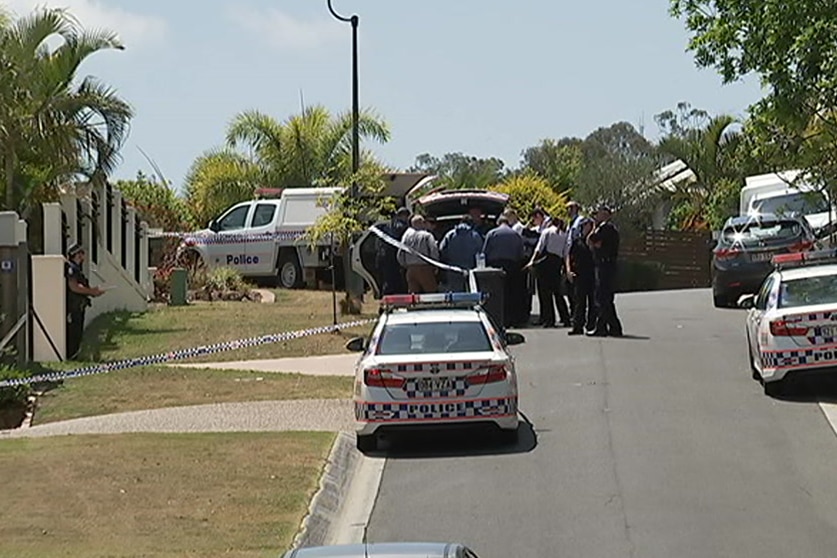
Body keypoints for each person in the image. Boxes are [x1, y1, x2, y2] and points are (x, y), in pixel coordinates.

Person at [525, 213, 571, 328]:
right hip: (557, 263)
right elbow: (566, 253)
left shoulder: (547, 232)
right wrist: (566, 268)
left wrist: (532, 261)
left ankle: (548, 319)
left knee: (545, 293)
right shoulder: (564, 234)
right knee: (557, 292)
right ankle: (565, 318)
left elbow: (539, 248)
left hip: (546, 262)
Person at [483, 215, 526, 327]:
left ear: (498, 223)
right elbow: (521, 253)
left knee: (497, 293)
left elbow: (485, 251)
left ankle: (498, 318)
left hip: (495, 266)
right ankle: (511, 319)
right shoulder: (515, 234)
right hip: (512, 266)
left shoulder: (492, 233)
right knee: (511, 293)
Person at [588, 205, 623, 337]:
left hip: (605, 265)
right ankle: (608, 327)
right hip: (605, 265)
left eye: (600, 214)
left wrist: (593, 228)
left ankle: (608, 327)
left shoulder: (606, 228)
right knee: (604, 298)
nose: (597, 216)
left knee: (603, 297)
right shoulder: (605, 228)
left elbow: (593, 241)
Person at [65, 243, 105, 359]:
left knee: (78, 333)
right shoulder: (71, 268)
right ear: (76, 255)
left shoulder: (77, 269)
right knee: (73, 333)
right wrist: (91, 291)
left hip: (79, 306)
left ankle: (75, 355)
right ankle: (71, 356)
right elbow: (74, 286)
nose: (84, 255)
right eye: (81, 253)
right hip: (74, 307)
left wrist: (93, 292)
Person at [565, 217, 597, 335]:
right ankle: (577, 326)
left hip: (592, 274)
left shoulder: (594, 241)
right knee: (579, 301)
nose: (588, 228)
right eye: (586, 226)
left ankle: (591, 325)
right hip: (579, 273)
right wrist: (568, 270)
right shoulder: (577, 241)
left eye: (590, 226)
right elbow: (569, 255)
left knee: (593, 302)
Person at [439, 215, 484, 291]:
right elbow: (481, 252)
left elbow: (442, 250)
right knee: (472, 292)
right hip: (471, 271)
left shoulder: (450, 234)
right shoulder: (475, 236)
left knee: (455, 295)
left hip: (453, 270)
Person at [398, 215, 440, 294]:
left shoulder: (406, 236)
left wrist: (406, 265)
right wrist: (435, 265)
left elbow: (400, 253)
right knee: (431, 293)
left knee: (413, 295)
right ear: (421, 223)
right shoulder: (427, 235)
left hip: (411, 269)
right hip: (425, 268)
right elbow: (434, 250)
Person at [375, 207, 410, 295]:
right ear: (404, 216)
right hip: (394, 258)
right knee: (396, 283)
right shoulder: (401, 226)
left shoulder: (386, 226)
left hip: (384, 257)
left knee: (387, 282)